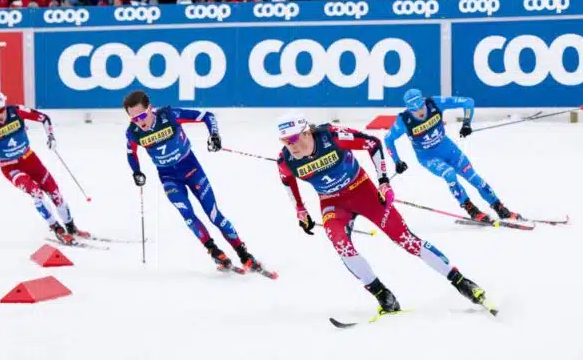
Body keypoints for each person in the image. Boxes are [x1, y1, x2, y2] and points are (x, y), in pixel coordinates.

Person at [276, 111, 496, 315]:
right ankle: (383, 295)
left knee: (405, 239)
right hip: (332, 203)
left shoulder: (331, 137)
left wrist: (383, 182)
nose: (289, 146)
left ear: (306, 133)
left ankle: (462, 282)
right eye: (284, 140)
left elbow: (373, 144)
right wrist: (300, 210)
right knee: (341, 244)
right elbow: (287, 181)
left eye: (293, 139)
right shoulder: (285, 159)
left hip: (363, 192)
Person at [123, 90, 270, 273]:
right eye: (133, 118)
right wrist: (136, 171)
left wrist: (214, 135)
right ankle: (215, 253)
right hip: (168, 177)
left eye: (142, 116)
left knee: (214, 215)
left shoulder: (170, 116)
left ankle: (244, 255)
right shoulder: (133, 132)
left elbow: (207, 116)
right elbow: (131, 153)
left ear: (150, 108)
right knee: (188, 215)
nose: (139, 122)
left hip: (191, 169)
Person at [385, 89, 521, 223]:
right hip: (429, 158)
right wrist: (397, 161)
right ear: (408, 109)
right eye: (414, 111)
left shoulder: (435, 103)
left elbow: (468, 102)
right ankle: (470, 208)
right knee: (449, 174)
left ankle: (500, 207)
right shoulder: (403, 120)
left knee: (474, 178)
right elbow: (388, 139)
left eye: (421, 107)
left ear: (423, 101)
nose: (419, 113)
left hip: (448, 149)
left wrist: (466, 123)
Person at [0, 92, 85, 245]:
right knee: (37, 193)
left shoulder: (17, 111)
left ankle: (71, 227)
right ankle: (57, 229)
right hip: (10, 167)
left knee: (55, 193)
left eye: (1, 110)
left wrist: (51, 137)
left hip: (30, 159)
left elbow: (44, 118)